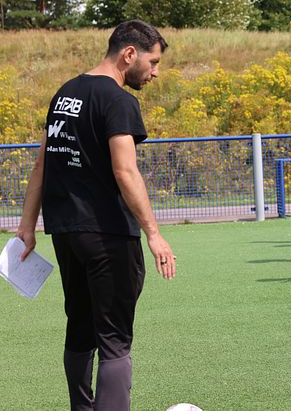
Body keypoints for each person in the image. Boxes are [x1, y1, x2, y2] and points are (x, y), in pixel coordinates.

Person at [15, 20, 175, 410]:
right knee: (115, 339)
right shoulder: (119, 101)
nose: (155, 72)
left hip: (67, 234)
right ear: (129, 54)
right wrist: (153, 233)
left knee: (80, 330)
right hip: (108, 236)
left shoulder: (64, 94)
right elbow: (125, 171)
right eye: (153, 62)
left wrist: (26, 225)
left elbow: (41, 166)